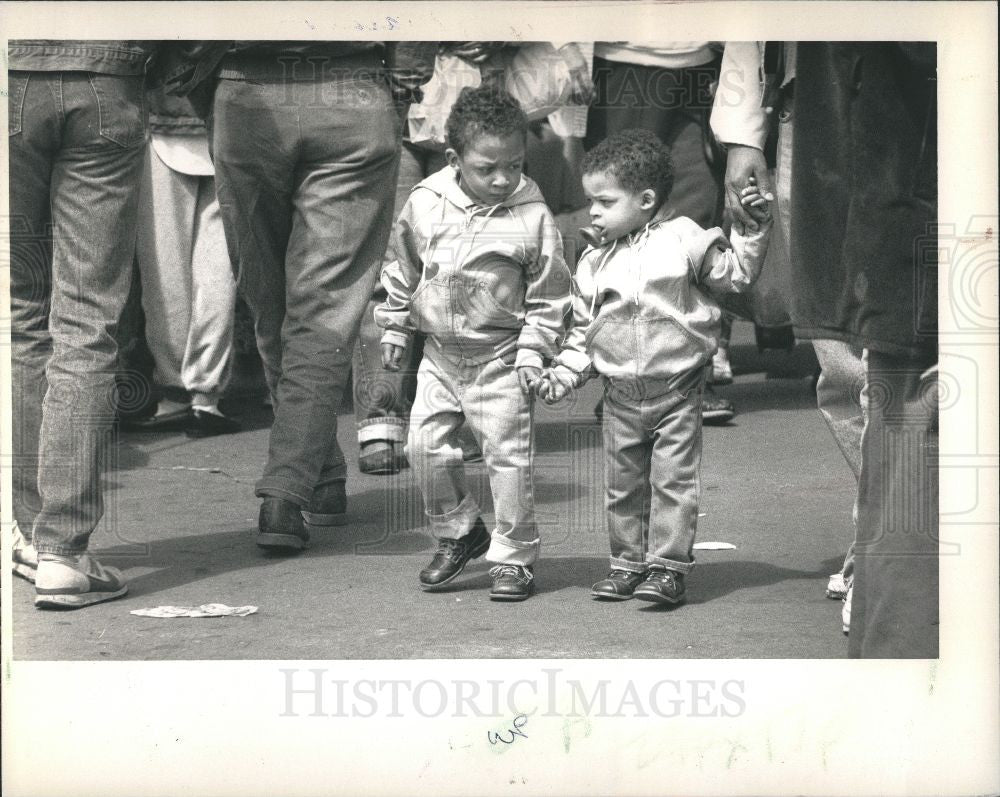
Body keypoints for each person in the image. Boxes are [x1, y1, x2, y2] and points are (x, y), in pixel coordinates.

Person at [206, 41, 435, 552]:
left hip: (248, 87)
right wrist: (403, 80)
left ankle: (291, 487)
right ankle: (311, 477)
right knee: (318, 306)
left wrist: (197, 74)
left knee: (274, 299)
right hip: (349, 89)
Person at [538, 130, 771, 605]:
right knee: (622, 487)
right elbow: (583, 332)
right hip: (620, 396)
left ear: (645, 200)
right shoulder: (592, 262)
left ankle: (667, 568)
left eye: (604, 201)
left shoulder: (684, 238)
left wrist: (752, 229)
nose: (593, 212)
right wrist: (562, 374)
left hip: (679, 390)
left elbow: (736, 276)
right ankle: (626, 564)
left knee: (673, 483)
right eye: (589, 202)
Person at [375, 86, 571, 601]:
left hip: (502, 358)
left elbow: (551, 295)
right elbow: (402, 267)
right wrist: (395, 324)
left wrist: (534, 350)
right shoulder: (424, 203)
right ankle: (460, 531)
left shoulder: (532, 215)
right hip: (439, 356)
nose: (504, 178)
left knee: (508, 460)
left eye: (515, 164)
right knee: (424, 446)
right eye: (488, 168)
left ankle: (514, 557)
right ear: (454, 160)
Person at [8, 39, 156, 607]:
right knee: (86, 319)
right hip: (106, 74)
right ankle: (61, 551)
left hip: (11, 69)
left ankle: (33, 535)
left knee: (25, 313)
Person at [711, 42, 861, 603]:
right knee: (841, 350)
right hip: (817, 101)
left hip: (943, 91)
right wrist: (745, 135)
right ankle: (883, 537)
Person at [585, 41, 736, 422]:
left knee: (694, 224)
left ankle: (688, 380)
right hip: (628, 59)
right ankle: (624, 385)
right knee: (622, 223)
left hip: (705, 59)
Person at [130, 84, 240, 437]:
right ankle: (206, 397)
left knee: (165, 269)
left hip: (164, 119)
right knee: (219, 270)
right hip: (232, 120)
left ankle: (176, 390)